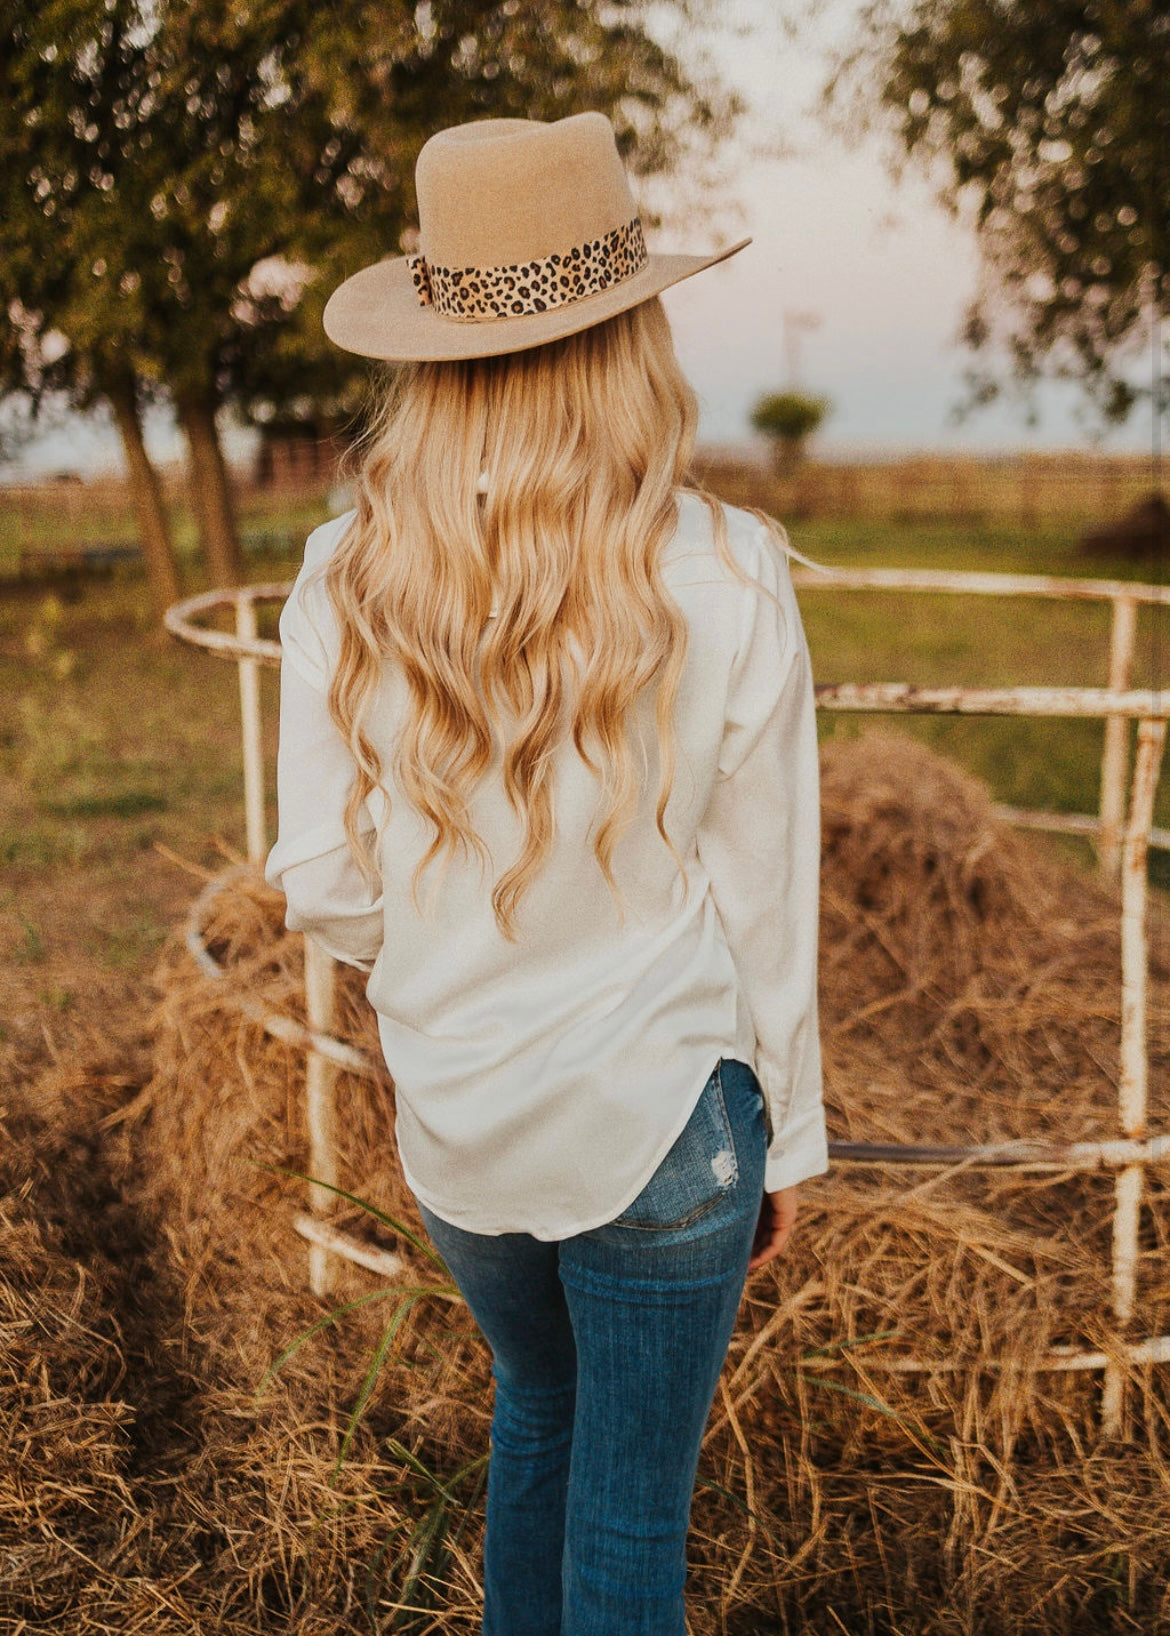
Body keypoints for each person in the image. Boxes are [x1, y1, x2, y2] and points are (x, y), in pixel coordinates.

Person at [266, 110, 828, 1636]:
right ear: (630, 331)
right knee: (630, 1530)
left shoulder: (345, 572)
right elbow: (767, 891)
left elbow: (315, 875)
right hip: (668, 1119)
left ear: (433, 343)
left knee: (535, 1419)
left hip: (460, 1114)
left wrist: (449, 967)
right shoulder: (724, 566)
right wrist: (788, 1143)